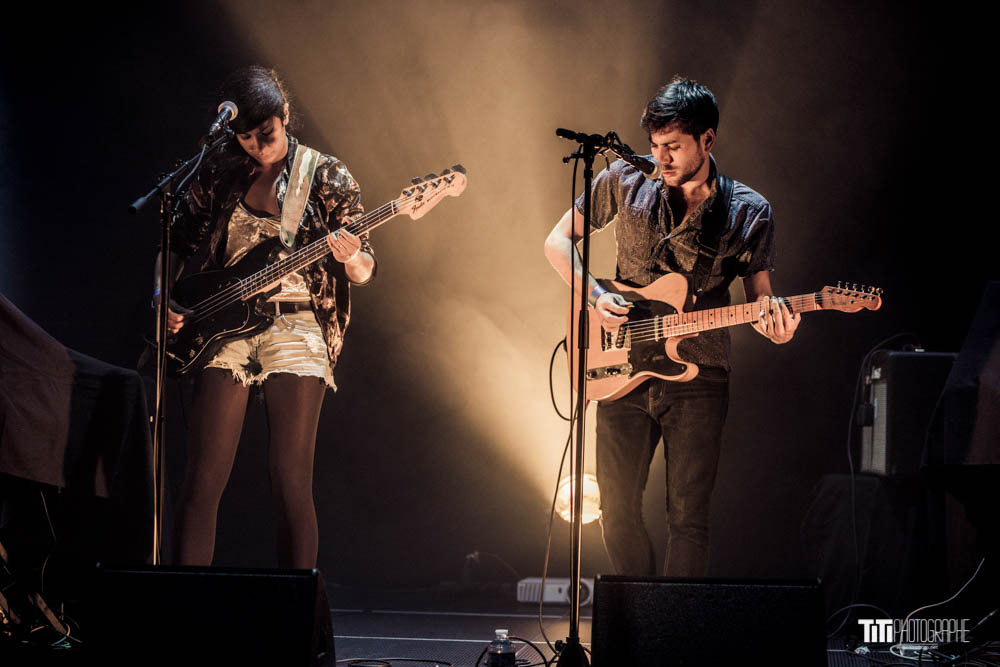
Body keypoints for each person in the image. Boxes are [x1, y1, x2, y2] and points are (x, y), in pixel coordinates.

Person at [543, 76, 800, 577]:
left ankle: (672, 635)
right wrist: (595, 294)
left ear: (708, 139)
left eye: (674, 147)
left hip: (700, 375)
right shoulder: (624, 179)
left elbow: (762, 301)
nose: (661, 157)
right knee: (615, 513)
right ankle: (638, 623)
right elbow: (557, 241)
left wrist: (780, 327)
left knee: (688, 518)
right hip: (617, 366)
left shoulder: (748, 210)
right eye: (656, 145)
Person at [152, 66, 375, 569]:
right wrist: (163, 295)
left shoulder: (325, 174)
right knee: (202, 478)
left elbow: (366, 269)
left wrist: (350, 256)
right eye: (246, 137)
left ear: (286, 116)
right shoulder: (221, 169)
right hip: (222, 324)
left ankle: (293, 618)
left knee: (288, 479)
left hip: (298, 324)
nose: (256, 146)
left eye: (266, 135)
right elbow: (176, 243)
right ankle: (187, 609)